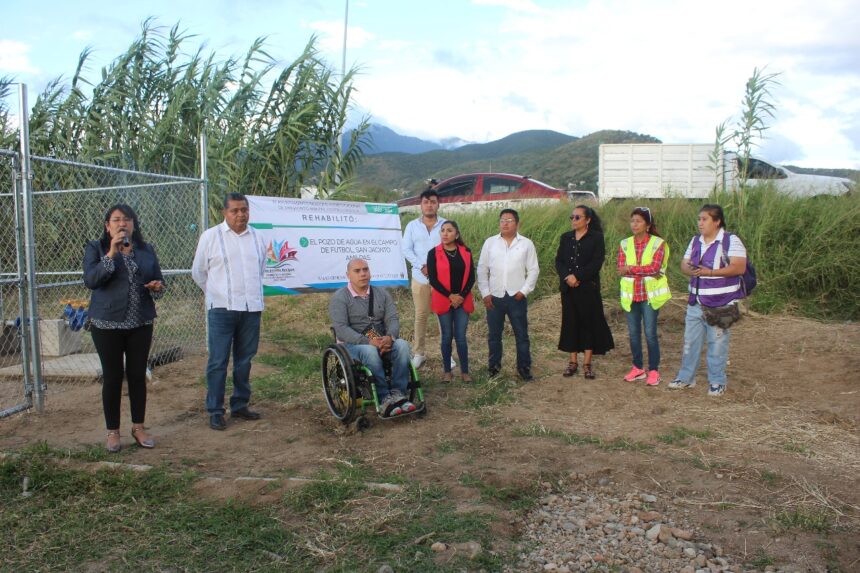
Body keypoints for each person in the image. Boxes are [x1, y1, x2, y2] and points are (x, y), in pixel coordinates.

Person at [83, 204, 165, 452]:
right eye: (116, 220)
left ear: (134, 225)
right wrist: (111, 253)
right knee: (113, 377)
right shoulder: (96, 248)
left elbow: (161, 282)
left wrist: (157, 287)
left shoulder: (146, 250)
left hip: (140, 323)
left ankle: (138, 427)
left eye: (127, 219)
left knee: (138, 375)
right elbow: (92, 280)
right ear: (107, 226)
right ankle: (113, 432)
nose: (122, 224)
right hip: (106, 324)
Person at [192, 192, 266, 430]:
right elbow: (199, 273)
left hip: (251, 308)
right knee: (218, 361)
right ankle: (215, 410)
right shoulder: (210, 237)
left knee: (244, 360)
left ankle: (240, 404)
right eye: (235, 210)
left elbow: (261, 270)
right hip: (222, 310)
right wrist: (217, 294)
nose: (240, 215)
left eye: (244, 210)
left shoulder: (258, 237)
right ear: (224, 213)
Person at [669, 204, 747, 397]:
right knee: (690, 342)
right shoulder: (696, 240)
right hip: (696, 301)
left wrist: (709, 272)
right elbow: (684, 264)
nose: (700, 223)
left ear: (717, 221)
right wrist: (692, 269)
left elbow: (739, 267)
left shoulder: (730, 241)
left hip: (721, 303)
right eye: (699, 219)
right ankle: (686, 378)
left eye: (705, 219)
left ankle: (717, 381)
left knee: (717, 343)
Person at [329, 258, 417, 416]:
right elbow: (341, 329)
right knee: (370, 351)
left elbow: (392, 319)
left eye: (365, 269)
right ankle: (384, 398)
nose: (363, 274)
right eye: (357, 271)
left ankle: (398, 394)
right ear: (348, 275)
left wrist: (390, 337)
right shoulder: (340, 298)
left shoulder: (382, 293)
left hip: (382, 340)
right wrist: (369, 342)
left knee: (403, 345)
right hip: (353, 345)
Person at [477, 209, 540, 381]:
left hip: (516, 297)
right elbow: (482, 269)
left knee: (521, 335)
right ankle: (494, 368)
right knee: (494, 336)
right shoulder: (490, 243)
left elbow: (533, 270)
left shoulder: (526, 244)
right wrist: (485, 293)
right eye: (502, 220)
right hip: (494, 297)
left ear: (517, 224)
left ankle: (524, 368)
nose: (504, 223)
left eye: (509, 220)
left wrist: (524, 291)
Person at [555, 204, 614, 380]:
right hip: (568, 288)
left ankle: (587, 364)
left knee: (589, 324)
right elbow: (559, 261)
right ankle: (572, 362)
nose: (573, 220)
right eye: (572, 217)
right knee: (571, 323)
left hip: (588, 288)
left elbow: (596, 263)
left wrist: (577, 277)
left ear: (587, 220)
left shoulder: (596, 238)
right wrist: (567, 277)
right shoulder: (566, 237)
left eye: (577, 217)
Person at [617, 207, 670, 386]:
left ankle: (653, 370)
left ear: (647, 225)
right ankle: (638, 368)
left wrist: (631, 269)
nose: (634, 224)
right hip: (631, 295)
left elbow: (655, 268)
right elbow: (620, 269)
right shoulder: (625, 244)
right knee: (633, 334)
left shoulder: (658, 243)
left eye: (638, 221)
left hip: (649, 296)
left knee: (650, 333)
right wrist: (639, 270)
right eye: (632, 221)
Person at [401, 189, 446, 369]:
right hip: (420, 278)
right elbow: (406, 250)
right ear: (421, 204)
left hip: (442, 280)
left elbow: (451, 247)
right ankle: (419, 353)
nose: (429, 205)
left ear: (438, 204)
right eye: (426, 202)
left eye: (433, 202)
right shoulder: (412, 226)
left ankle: (446, 353)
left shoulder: (445, 224)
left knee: (443, 316)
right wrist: (422, 266)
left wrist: (435, 268)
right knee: (421, 316)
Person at [427, 220, 476, 383]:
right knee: (446, 336)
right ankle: (447, 371)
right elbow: (433, 279)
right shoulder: (433, 253)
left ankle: (465, 372)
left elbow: (471, 277)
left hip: (463, 299)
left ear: (457, 234)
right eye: (442, 231)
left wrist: (460, 296)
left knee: (461, 337)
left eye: (449, 230)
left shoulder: (466, 252)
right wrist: (450, 296)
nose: (445, 234)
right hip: (444, 300)